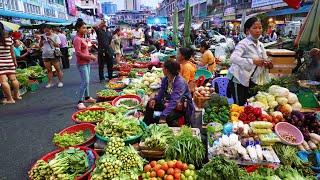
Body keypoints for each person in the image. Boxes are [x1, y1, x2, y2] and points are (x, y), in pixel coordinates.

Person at [227, 17, 273, 106]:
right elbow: (233, 58)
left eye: (260, 28)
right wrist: (253, 61)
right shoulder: (243, 44)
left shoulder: (260, 45)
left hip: (250, 79)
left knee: (249, 103)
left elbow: (264, 59)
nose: (258, 31)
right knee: (239, 105)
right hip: (238, 79)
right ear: (248, 30)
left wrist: (268, 64)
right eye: (255, 28)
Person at [143, 60, 195, 126]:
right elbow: (161, 93)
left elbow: (174, 101)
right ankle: (146, 124)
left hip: (180, 106)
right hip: (168, 102)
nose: (162, 69)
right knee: (150, 105)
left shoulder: (180, 83)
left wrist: (163, 116)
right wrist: (154, 100)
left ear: (166, 70)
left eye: (163, 68)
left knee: (167, 117)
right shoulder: (165, 79)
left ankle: (169, 125)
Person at [73, 18, 97, 109]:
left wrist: (90, 55)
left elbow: (85, 50)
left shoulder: (82, 38)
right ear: (78, 29)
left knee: (87, 81)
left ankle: (87, 97)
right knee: (85, 82)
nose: (85, 30)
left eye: (86, 28)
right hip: (82, 63)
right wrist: (90, 57)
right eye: (83, 28)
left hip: (86, 62)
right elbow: (78, 53)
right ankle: (80, 101)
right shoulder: (77, 39)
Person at [0, 22, 21, 104]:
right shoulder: (9, 39)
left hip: (0, 63)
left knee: (3, 81)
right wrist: (14, 61)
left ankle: (10, 99)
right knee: (13, 79)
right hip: (10, 61)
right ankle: (16, 96)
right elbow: (12, 52)